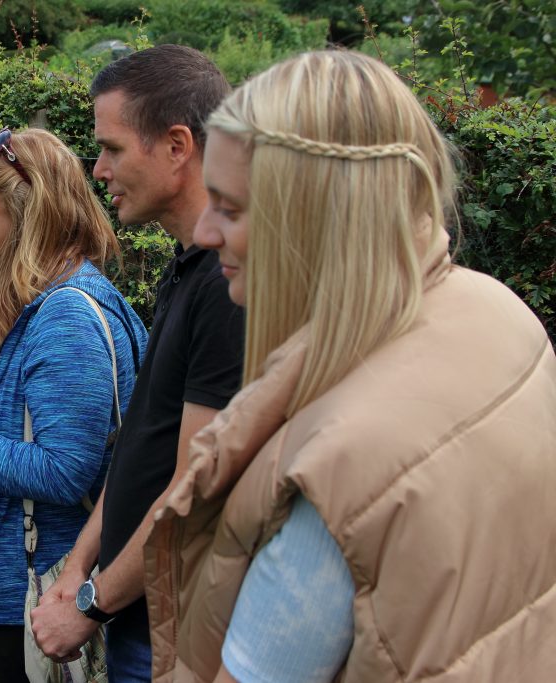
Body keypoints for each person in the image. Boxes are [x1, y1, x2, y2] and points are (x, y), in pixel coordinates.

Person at [145, 50, 556, 682]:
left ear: (308, 216)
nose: (203, 232)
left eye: (230, 207)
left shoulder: (339, 473)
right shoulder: (498, 312)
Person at [0, 127, 149, 683]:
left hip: (33, 594)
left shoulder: (67, 318)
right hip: (8, 587)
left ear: (24, 208)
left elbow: (66, 471)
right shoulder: (36, 302)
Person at [29, 44, 244, 680]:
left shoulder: (228, 290)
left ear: (178, 147)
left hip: (171, 623)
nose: (98, 170)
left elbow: (193, 489)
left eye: (113, 149)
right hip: (133, 607)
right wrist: (77, 567)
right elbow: (140, 453)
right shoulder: (186, 270)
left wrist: (91, 605)